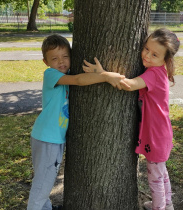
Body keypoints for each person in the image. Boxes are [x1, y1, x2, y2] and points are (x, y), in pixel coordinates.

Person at [83, 28, 180, 210]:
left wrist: (103, 74)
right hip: (161, 133)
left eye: (154, 54)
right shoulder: (158, 70)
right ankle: (167, 204)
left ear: (165, 60)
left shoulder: (153, 74)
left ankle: (159, 207)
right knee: (161, 173)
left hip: (156, 136)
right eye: (146, 49)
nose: (147, 56)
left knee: (155, 177)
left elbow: (128, 85)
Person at [27, 34, 127, 210]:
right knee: (43, 182)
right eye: (55, 58)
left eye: (66, 56)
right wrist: (105, 76)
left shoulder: (63, 74)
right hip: (47, 138)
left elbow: (83, 76)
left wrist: (99, 72)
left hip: (49, 137)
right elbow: (80, 80)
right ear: (46, 62)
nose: (62, 62)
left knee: (44, 178)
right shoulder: (51, 74)